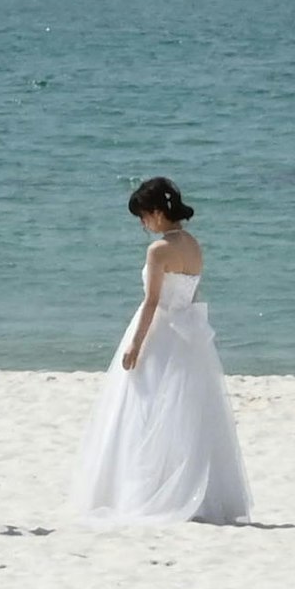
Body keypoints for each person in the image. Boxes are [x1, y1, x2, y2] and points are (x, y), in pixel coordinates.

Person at [66, 176, 252, 524]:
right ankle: (190, 492)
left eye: (143, 217)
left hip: (160, 331)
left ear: (155, 212)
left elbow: (152, 301)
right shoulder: (194, 245)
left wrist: (136, 343)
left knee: (145, 410)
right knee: (185, 416)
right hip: (188, 333)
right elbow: (192, 294)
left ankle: (145, 490)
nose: (142, 224)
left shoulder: (159, 250)